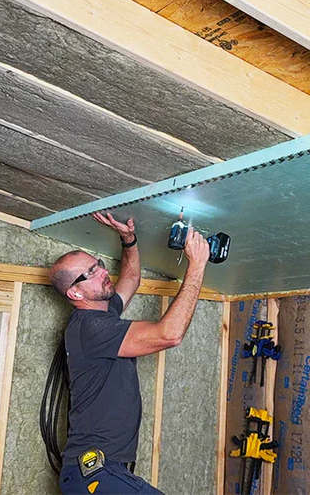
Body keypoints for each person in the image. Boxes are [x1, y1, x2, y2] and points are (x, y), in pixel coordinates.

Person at [51, 212, 210, 495]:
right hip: (94, 472)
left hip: (100, 470)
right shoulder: (91, 328)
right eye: (90, 273)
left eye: (98, 265)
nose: (102, 271)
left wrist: (128, 239)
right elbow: (169, 334)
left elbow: (132, 278)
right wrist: (197, 266)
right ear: (75, 294)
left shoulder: (103, 315)